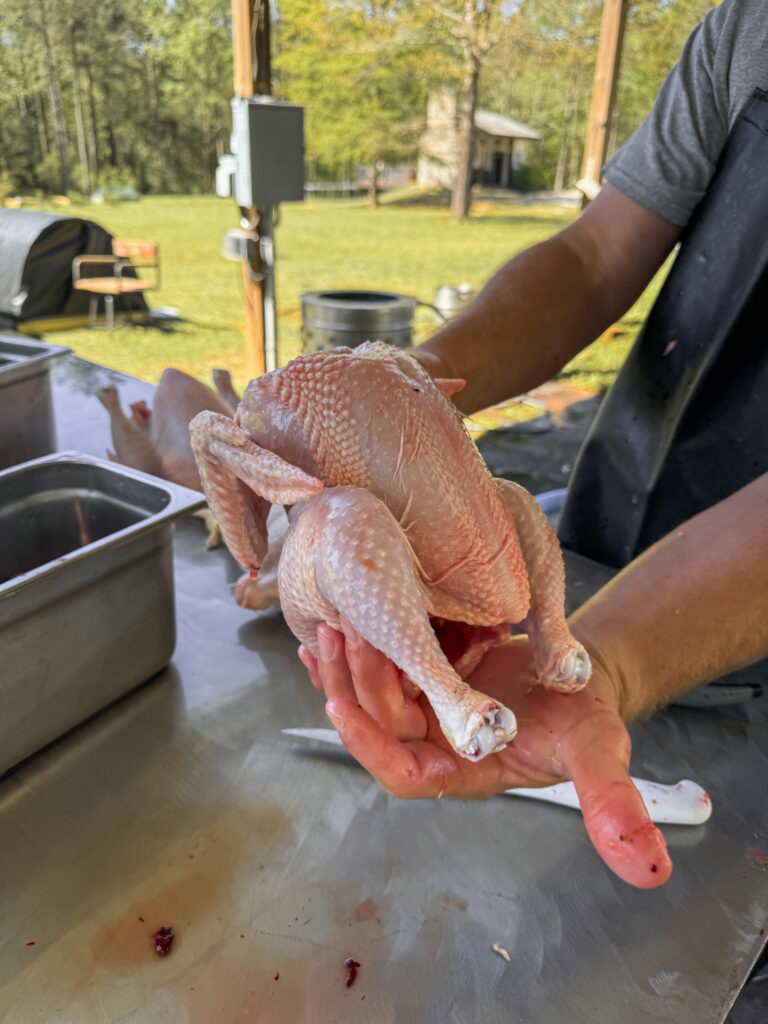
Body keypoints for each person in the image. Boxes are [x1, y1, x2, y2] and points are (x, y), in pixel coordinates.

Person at [300, 0, 768, 890]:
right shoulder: (747, 28)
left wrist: (615, 659)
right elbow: (594, 259)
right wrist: (410, 386)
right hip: (608, 548)